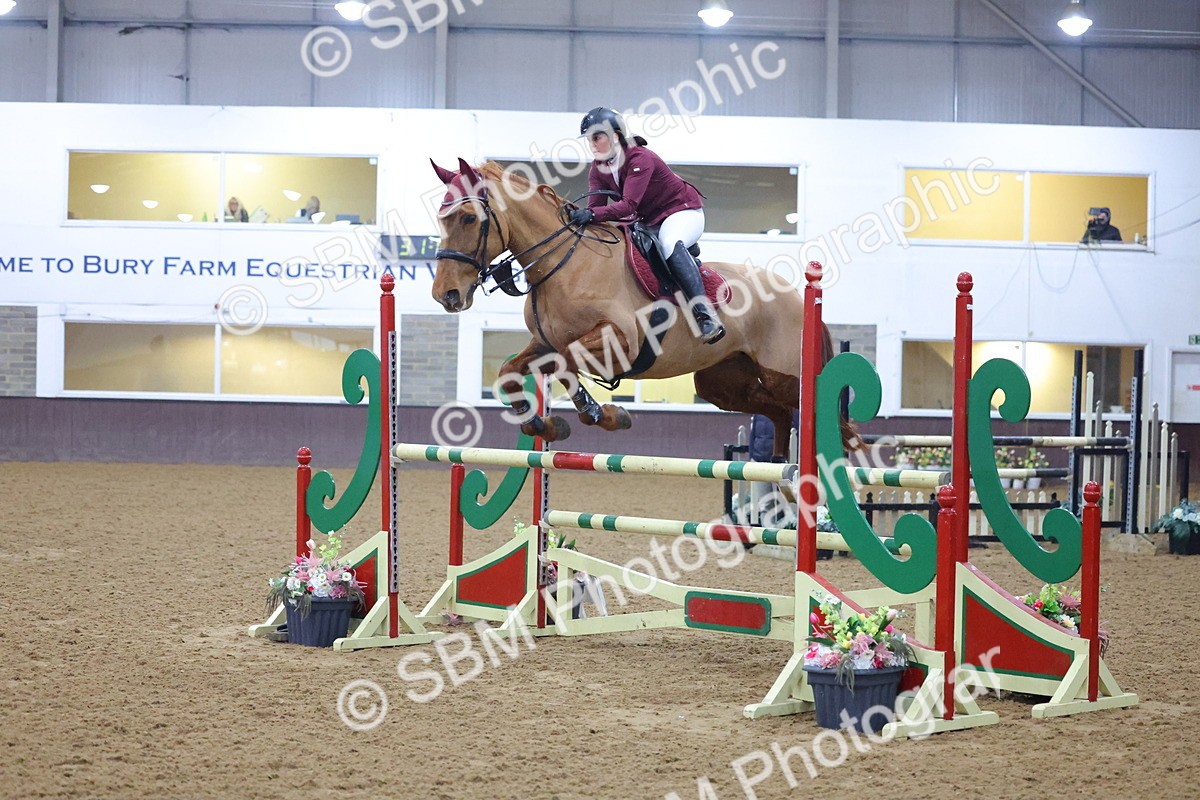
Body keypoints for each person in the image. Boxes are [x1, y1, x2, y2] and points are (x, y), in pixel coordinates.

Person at [568, 107, 724, 344]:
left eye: (596, 137)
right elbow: (597, 210)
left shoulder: (640, 158)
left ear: (615, 136)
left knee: (669, 242)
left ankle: (705, 316)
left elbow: (628, 206)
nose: (591, 144)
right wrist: (583, 219)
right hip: (647, 221)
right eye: (589, 139)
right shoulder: (597, 168)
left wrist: (589, 214)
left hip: (682, 212)